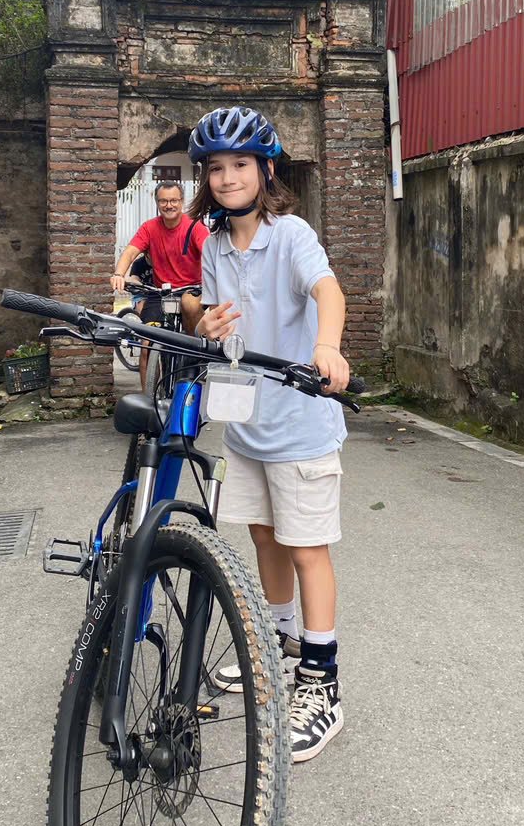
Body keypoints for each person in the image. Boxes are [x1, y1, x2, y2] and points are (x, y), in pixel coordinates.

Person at [187, 105, 350, 764]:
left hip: (301, 423)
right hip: (247, 425)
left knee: (308, 547)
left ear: (265, 170)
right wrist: (203, 325)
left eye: (240, 165)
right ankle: (280, 646)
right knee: (263, 535)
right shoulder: (213, 243)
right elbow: (203, 306)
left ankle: (321, 680)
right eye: (217, 168)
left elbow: (328, 290)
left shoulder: (290, 234)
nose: (227, 178)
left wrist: (328, 346)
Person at [111, 180, 208, 389]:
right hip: (160, 292)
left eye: (173, 200)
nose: (169, 205)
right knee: (146, 343)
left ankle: (194, 351)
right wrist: (119, 273)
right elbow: (130, 251)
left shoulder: (194, 227)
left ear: (181, 202)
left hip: (191, 288)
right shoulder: (150, 227)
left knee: (190, 305)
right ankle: (147, 399)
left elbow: (210, 254)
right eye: (163, 201)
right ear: (157, 203)